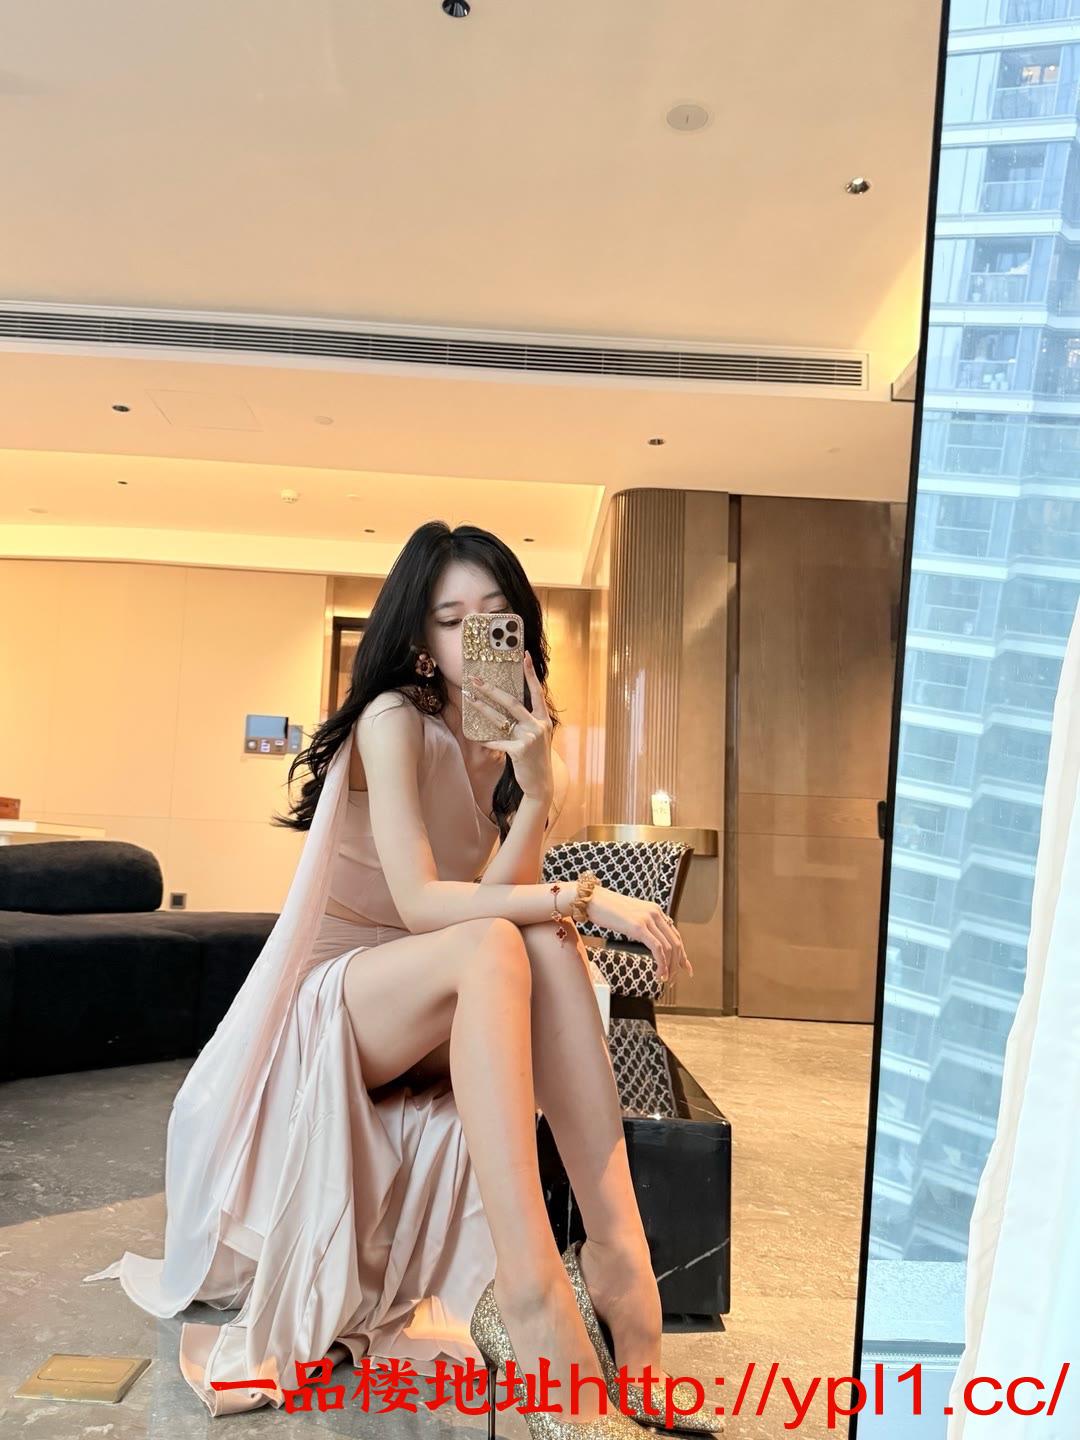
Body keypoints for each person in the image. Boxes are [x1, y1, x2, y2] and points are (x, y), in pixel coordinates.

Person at [84, 521, 708, 1435]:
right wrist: (587, 895)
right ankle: (532, 1295)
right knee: (509, 939)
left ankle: (621, 1261)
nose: (474, 638)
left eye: (495, 616)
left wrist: (538, 793)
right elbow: (421, 906)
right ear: (421, 640)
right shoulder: (391, 721)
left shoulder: (516, 747)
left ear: (523, 631)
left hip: (440, 989)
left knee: (536, 943)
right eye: (452, 621)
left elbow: (494, 906)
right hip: (340, 1007)